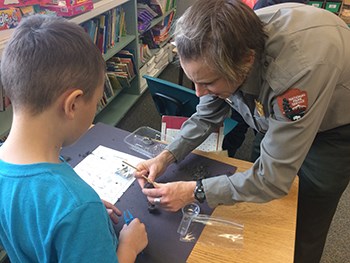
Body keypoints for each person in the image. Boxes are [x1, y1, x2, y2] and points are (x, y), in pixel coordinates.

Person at [134, 1, 350, 262]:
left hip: (335, 128)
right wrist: (166, 156)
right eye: (194, 80)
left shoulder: (292, 77)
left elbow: (271, 179)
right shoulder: (225, 46)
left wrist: (194, 192)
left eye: (208, 82)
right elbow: (206, 115)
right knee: (260, 198)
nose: (198, 92)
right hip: (271, 105)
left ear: (247, 61)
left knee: (306, 216)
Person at [0, 15, 147, 263]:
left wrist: (78, 217)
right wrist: (128, 247)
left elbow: (35, 212)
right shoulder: (78, 206)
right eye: (96, 101)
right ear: (73, 104)